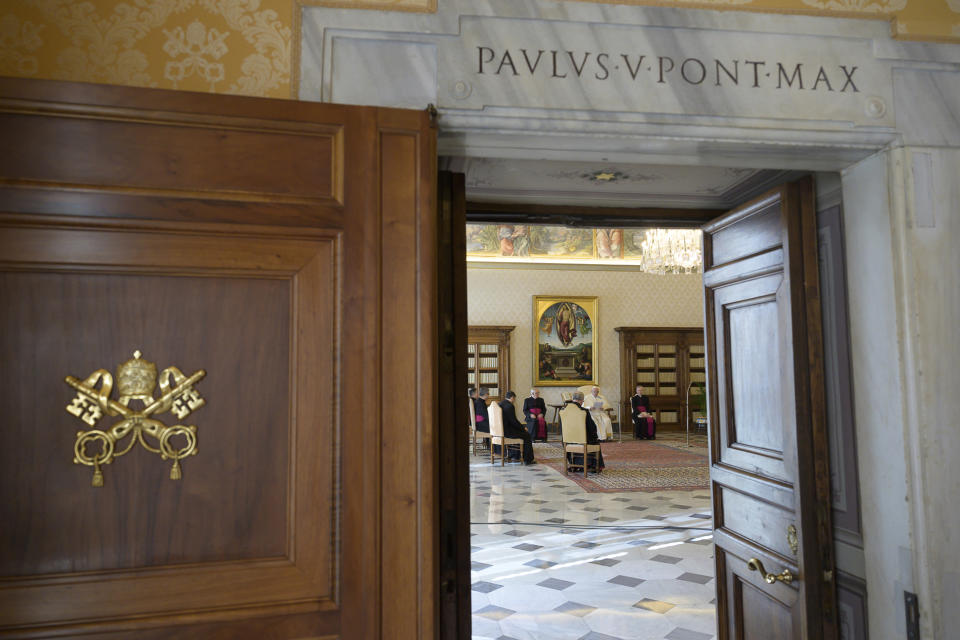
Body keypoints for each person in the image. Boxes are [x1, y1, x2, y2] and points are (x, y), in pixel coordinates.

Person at [562, 391, 604, 472]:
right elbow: (592, 427)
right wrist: (595, 435)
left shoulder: (563, 410)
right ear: (581, 400)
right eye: (583, 401)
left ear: (573, 399)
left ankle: (573, 464)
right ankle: (591, 465)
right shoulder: (583, 411)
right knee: (594, 440)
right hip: (582, 440)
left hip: (567, 440)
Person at [499, 391, 536, 464]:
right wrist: (523, 428)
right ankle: (528, 460)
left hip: (501, 430)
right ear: (512, 397)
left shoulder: (500, 404)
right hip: (508, 432)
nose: (514, 400)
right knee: (527, 435)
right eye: (514, 399)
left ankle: (515, 455)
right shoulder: (510, 406)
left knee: (521, 433)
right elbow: (513, 421)